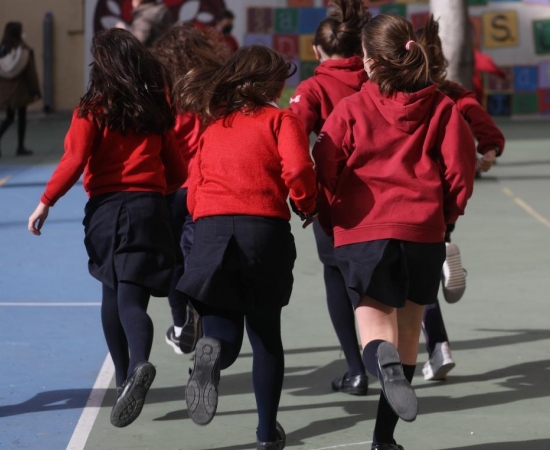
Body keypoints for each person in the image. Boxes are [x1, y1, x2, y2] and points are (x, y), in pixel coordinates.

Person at [312, 14, 475, 450]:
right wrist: (447, 219)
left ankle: (376, 362)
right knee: (405, 343)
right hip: (423, 233)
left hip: (366, 235)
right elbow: (461, 172)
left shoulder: (350, 109)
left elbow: (324, 166)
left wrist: (330, 218)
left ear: (367, 62)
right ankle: (384, 441)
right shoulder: (443, 107)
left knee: (375, 338)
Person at [27, 28, 186, 428]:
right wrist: (157, 193)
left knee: (114, 294)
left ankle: (131, 371)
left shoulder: (93, 108)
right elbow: (178, 167)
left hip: (109, 210)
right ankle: (131, 373)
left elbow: (74, 158)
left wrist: (46, 201)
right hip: (150, 206)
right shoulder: (155, 108)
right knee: (129, 294)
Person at [173, 45, 317, 450]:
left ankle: (211, 352)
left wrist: (206, 222)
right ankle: (266, 434)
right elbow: (298, 168)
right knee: (266, 335)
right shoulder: (281, 120)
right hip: (263, 230)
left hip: (211, 231)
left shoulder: (213, 128)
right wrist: (307, 204)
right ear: (270, 83)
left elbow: (193, 189)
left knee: (222, 332)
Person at [415, 14, 506, 381]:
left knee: (409, 284)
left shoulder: (402, 95)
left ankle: (437, 347)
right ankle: (442, 259)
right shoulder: (454, 94)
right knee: (428, 258)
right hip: (446, 198)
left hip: (410, 197)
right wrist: (489, 152)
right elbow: (487, 128)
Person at [289, 0, 371, 397]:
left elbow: (292, 143)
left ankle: (357, 369)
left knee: (337, 277)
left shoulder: (312, 88)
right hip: (387, 195)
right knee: (379, 280)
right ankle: (384, 359)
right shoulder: (377, 80)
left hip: (335, 202)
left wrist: (301, 194)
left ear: (316, 50)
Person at [151, 23, 230, 356]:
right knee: (199, 257)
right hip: (207, 183)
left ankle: (182, 321)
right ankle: (200, 317)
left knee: (172, 260)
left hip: (172, 185)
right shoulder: (214, 87)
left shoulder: (164, 91)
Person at [0, 21, 40, 157]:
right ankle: (20, 147)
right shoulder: (24, 51)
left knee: (9, 118)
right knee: (21, 118)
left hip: (6, 91)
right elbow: (31, 73)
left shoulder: (3, 49)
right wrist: (35, 90)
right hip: (21, 90)